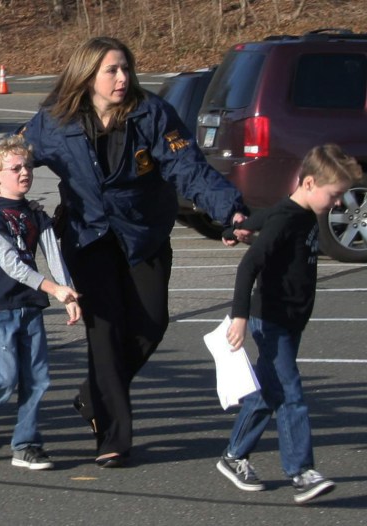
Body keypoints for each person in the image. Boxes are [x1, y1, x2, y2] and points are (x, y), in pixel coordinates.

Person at [20, 36, 249, 467]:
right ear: (88, 75)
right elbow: (11, 157)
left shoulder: (152, 113)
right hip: (87, 236)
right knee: (105, 334)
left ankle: (94, 396)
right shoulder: (55, 120)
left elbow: (189, 168)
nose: (122, 77)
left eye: (125, 68)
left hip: (143, 233)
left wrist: (230, 211)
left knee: (151, 324)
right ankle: (112, 437)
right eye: (112, 70)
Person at [218, 144, 361, 504]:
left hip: (290, 319)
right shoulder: (288, 218)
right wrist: (239, 316)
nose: (338, 203)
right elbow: (249, 266)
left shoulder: (299, 212)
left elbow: (264, 216)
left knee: (269, 392)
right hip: (270, 320)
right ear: (309, 183)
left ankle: (234, 455)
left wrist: (238, 229)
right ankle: (301, 472)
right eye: (334, 194)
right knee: (291, 394)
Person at [0, 136, 82, 470]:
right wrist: (53, 288)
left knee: (37, 379)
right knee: (4, 379)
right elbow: (10, 263)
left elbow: (52, 252)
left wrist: (68, 292)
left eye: (28, 167)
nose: (25, 172)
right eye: (16, 168)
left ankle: (26, 445)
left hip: (30, 304)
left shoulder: (36, 213)